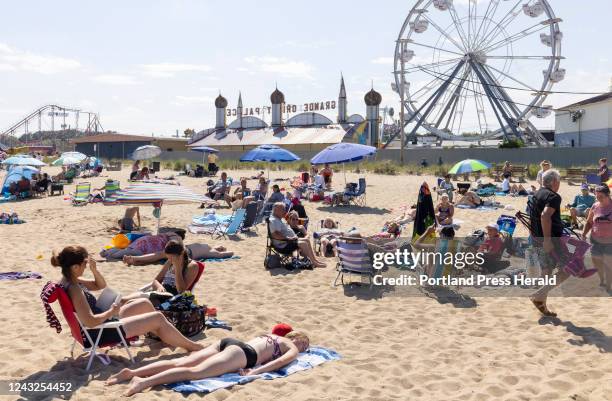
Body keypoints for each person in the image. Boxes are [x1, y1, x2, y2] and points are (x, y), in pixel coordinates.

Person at [52, 246, 203, 356]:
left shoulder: (69, 280)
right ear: (75, 267)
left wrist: (94, 270)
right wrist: (111, 311)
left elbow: (101, 285)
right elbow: (90, 322)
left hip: (102, 323)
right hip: (102, 332)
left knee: (144, 304)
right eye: (85, 264)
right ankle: (191, 346)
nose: (87, 265)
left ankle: (166, 336)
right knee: (158, 317)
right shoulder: (75, 289)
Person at [105, 331, 310, 396]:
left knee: (182, 361)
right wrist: (255, 371)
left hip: (228, 342)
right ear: (297, 338)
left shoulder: (272, 334)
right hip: (243, 354)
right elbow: (282, 361)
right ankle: (141, 382)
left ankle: (131, 372)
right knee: (193, 372)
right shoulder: (290, 345)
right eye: (305, 344)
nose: (303, 348)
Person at [529, 169, 568, 317]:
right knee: (567, 270)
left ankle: (541, 304)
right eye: (559, 181)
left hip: (536, 239)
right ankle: (539, 295)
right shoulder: (553, 196)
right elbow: (545, 216)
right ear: (554, 182)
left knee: (547, 271)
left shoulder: (537, 194)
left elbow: (535, 217)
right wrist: (547, 240)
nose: (559, 184)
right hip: (549, 240)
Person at [124, 239, 202, 300]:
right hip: (159, 293)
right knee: (127, 300)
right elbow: (156, 280)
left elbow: (181, 291)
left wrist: (178, 268)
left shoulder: (192, 266)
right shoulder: (170, 262)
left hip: (170, 298)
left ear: (181, 254)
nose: (170, 260)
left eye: (172, 257)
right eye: (168, 258)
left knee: (128, 300)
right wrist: (159, 287)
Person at [269, 202, 326, 267]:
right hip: (283, 245)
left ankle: (315, 260)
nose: (285, 211)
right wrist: (288, 238)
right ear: (276, 210)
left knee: (306, 240)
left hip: (287, 242)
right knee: (304, 243)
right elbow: (275, 235)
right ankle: (314, 262)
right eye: (283, 209)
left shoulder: (277, 219)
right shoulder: (273, 220)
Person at [581, 185, 612, 293]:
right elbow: (589, 222)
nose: (598, 198)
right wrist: (583, 234)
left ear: (608, 195)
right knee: (596, 261)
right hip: (595, 240)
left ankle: (609, 284)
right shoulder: (595, 206)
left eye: (601, 196)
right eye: (596, 196)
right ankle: (602, 279)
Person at [124, 242, 233, 266]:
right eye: (221, 246)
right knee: (158, 255)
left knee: (158, 256)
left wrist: (227, 252)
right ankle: (134, 259)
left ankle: (134, 259)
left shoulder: (211, 252)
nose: (220, 247)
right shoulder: (208, 245)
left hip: (185, 253)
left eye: (221, 248)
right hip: (182, 248)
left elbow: (225, 255)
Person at [101, 232, 178, 261]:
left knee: (126, 250)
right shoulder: (169, 245)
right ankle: (106, 252)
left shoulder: (163, 235)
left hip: (139, 243)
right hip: (142, 249)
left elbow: (148, 234)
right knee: (121, 253)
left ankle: (107, 251)